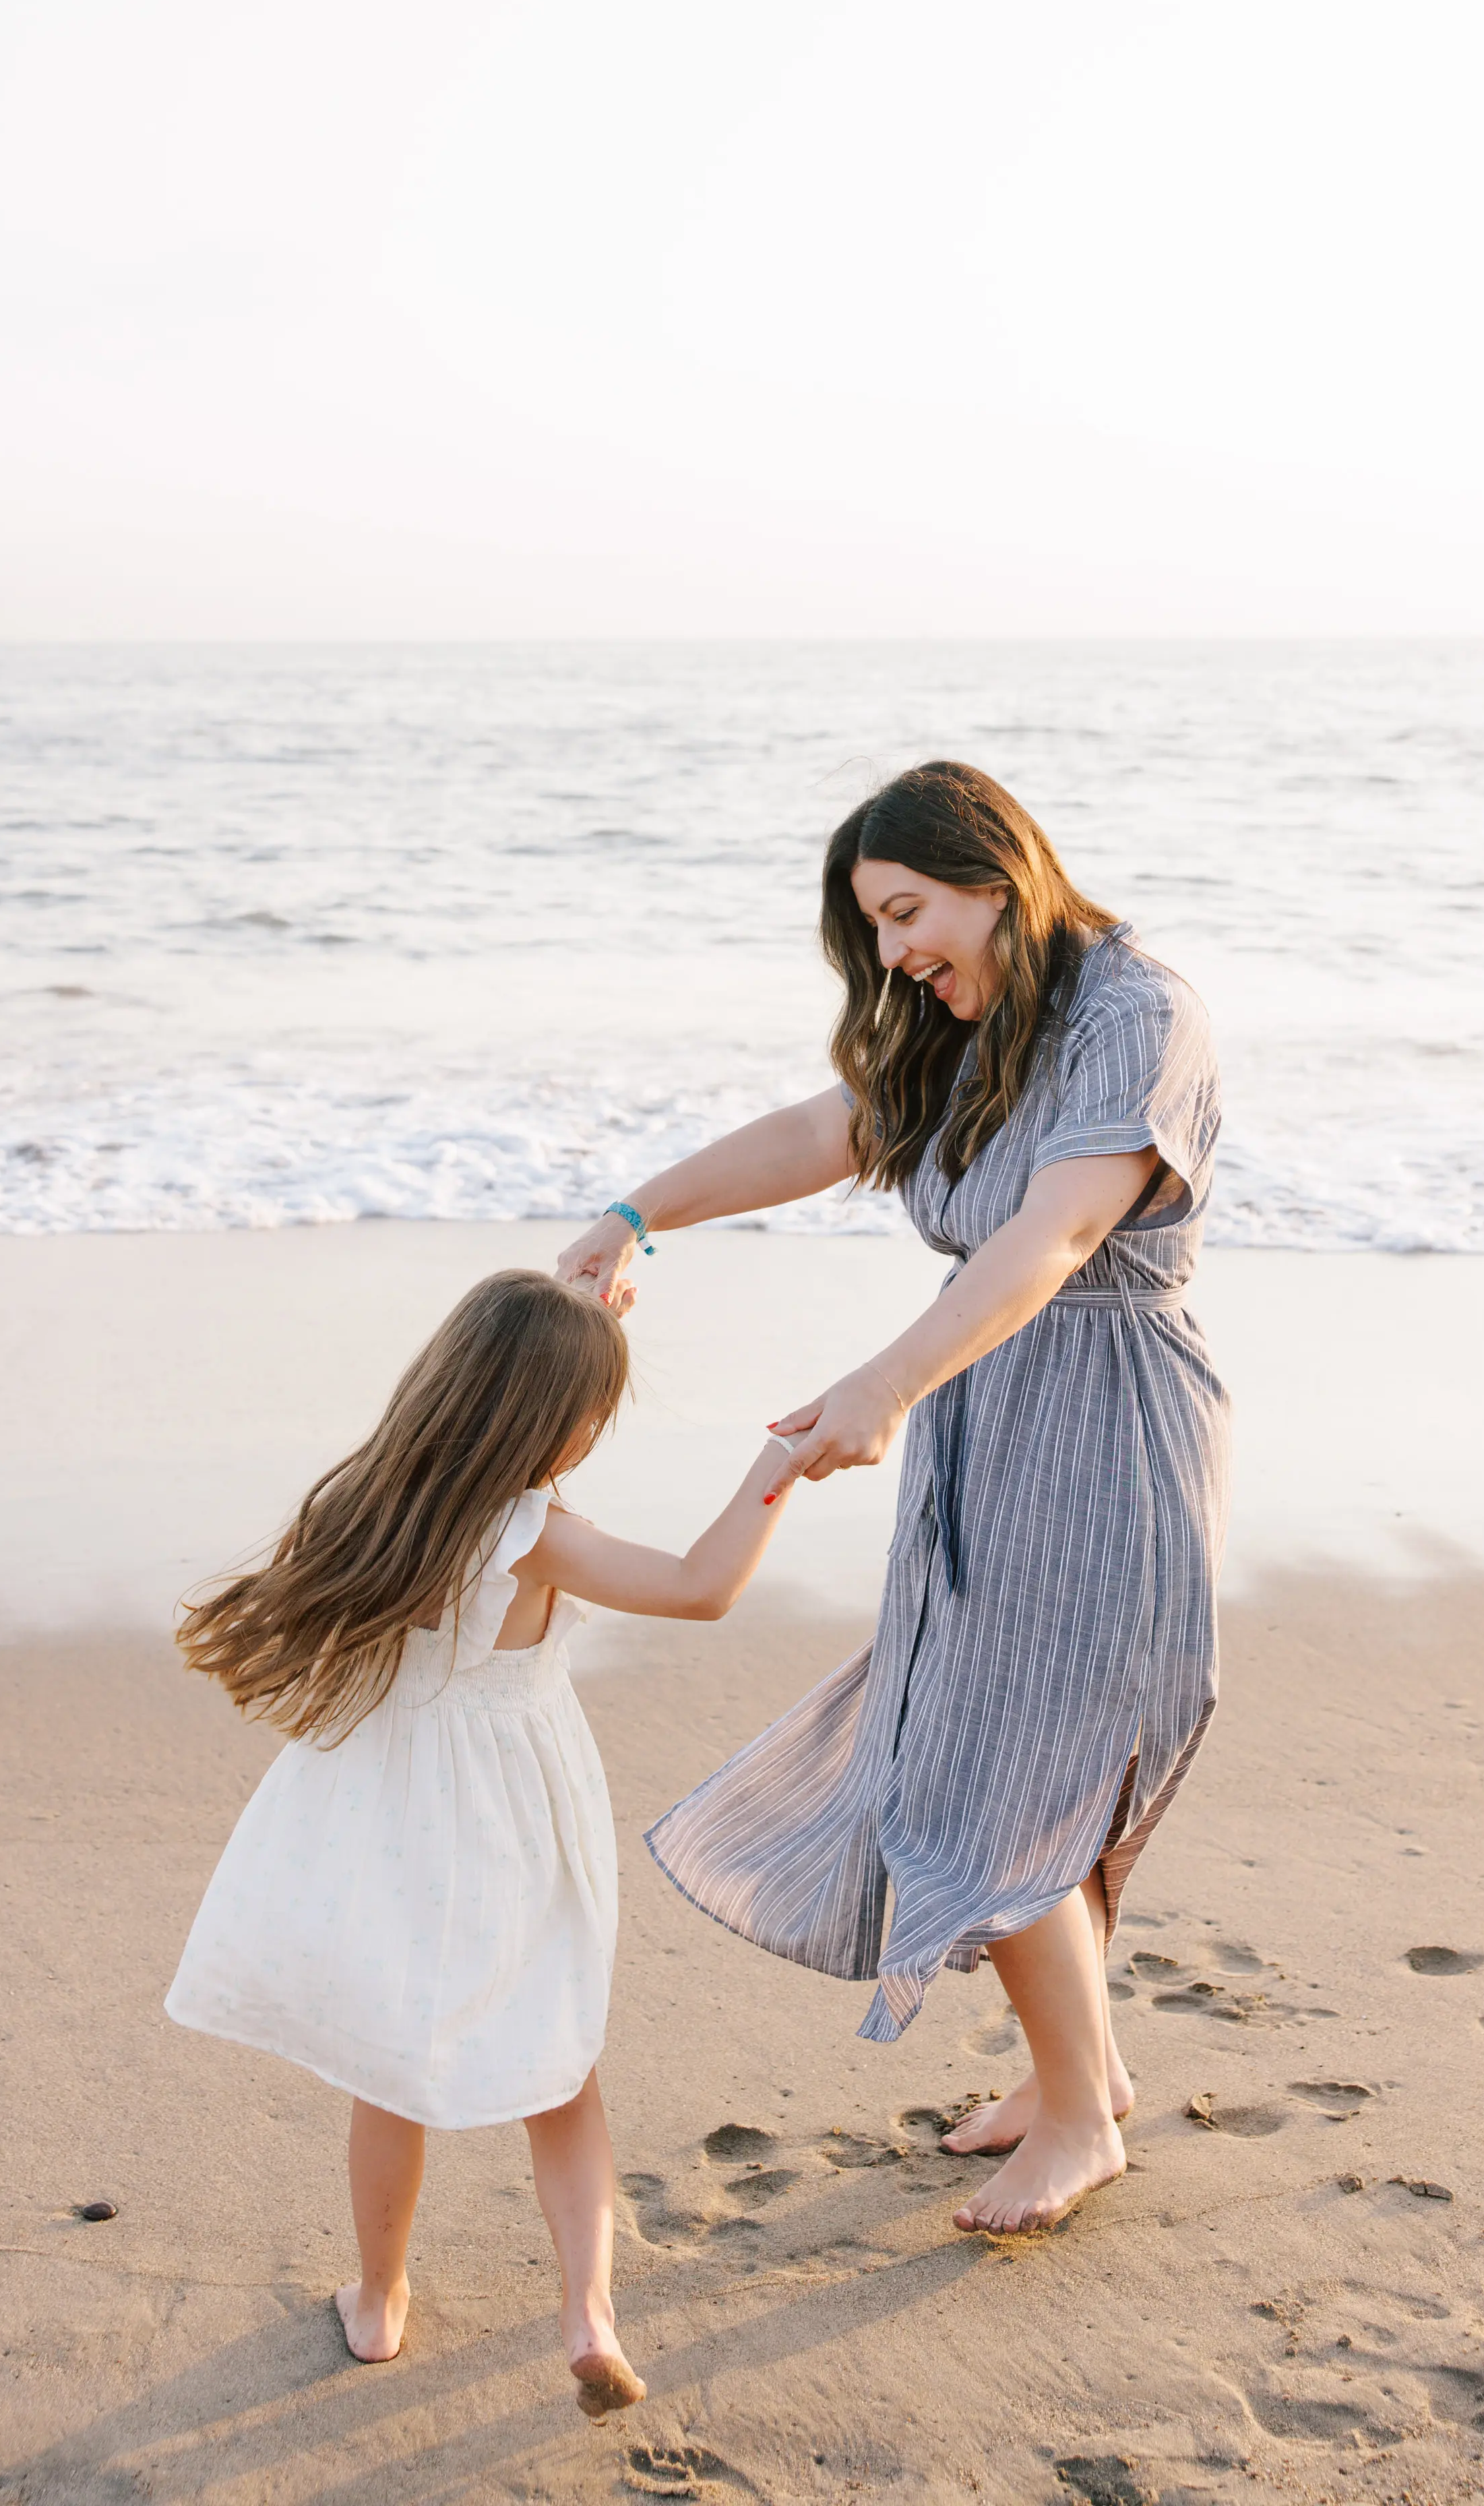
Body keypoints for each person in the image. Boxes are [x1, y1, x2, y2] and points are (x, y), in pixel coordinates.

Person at [557, 761, 1229, 2238]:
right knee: (972, 1743)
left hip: (1101, 1419)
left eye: (907, 912)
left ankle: (1071, 2118)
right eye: (870, 927)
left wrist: (881, 1382)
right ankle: (1086, 2073)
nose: (892, 954)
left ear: (996, 876)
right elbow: (821, 1131)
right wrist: (629, 1214)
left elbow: (1054, 1236)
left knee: (996, 1768)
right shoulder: (956, 1019)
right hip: (980, 1408)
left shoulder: (1134, 1013)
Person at [165, 1268, 797, 2402]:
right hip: (510, 1813)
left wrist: (582, 1333)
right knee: (559, 2069)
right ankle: (590, 2314)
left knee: (388, 2070)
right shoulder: (535, 1532)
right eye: (594, 1410)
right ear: (555, 1421)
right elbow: (703, 1588)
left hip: (389, 1816)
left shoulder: (371, 1500)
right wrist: (779, 1465)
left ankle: (379, 2302)